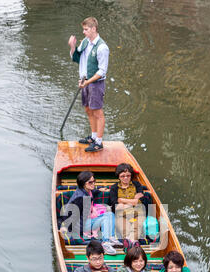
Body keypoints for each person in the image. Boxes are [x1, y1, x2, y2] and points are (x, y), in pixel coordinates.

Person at [68, 17, 109, 152]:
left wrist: (87, 82)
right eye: (83, 29)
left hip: (95, 83)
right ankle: (92, 136)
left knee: (98, 112)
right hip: (84, 82)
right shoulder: (85, 42)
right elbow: (77, 57)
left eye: (86, 29)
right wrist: (73, 47)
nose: (84, 32)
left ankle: (99, 142)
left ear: (93, 29)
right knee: (88, 109)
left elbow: (102, 72)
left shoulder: (102, 47)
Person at [61, 170, 119, 255]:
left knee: (110, 214)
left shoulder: (87, 191)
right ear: (83, 183)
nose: (93, 184)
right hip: (82, 226)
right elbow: (69, 214)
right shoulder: (81, 198)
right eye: (90, 182)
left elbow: (93, 193)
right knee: (106, 217)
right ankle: (105, 243)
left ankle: (111, 237)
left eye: (94, 181)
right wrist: (66, 227)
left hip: (87, 219)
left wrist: (99, 190)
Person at [109, 163, 151, 250]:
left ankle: (130, 245)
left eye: (128, 175)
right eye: (122, 176)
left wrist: (122, 200)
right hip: (121, 215)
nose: (126, 178)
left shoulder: (137, 185)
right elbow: (116, 207)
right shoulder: (114, 188)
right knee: (126, 230)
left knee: (136, 227)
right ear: (118, 176)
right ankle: (134, 244)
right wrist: (133, 202)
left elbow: (139, 201)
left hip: (138, 213)